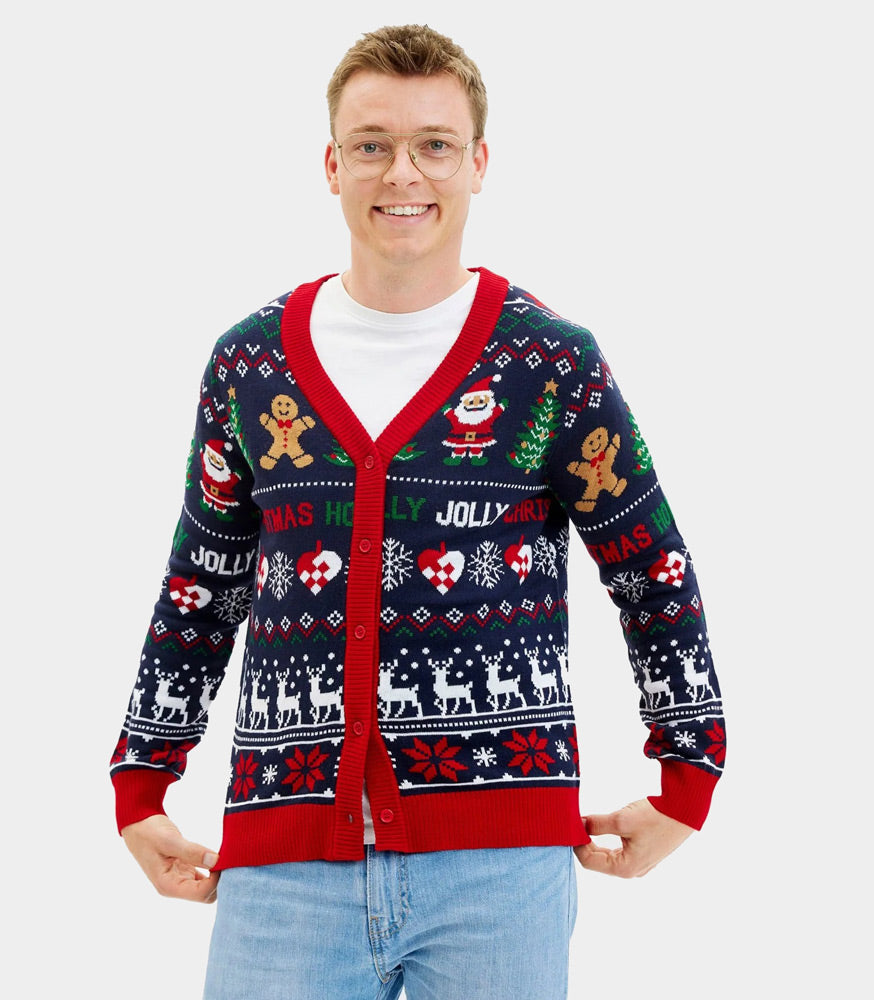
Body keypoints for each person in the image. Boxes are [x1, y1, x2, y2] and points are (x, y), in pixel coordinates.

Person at [110, 23, 725, 1000]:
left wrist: (688, 775)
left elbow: (652, 567)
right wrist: (142, 779)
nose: (403, 172)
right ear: (331, 164)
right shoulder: (250, 364)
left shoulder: (549, 364)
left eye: (435, 144)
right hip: (284, 865)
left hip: (501, 868)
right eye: (372, 144)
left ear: (478, 163)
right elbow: (203, 582)